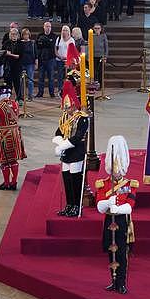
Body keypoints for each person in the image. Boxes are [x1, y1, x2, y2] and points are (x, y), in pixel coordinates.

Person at [94, 135, 137, 294]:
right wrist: (107, 203)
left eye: (119, 171)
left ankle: (122, 282)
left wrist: (117, 208)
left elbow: (130, 205)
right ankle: (113, 281)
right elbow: (99, 205)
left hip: (122, 222)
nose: (117, 174)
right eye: (114, 170)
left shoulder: (130, 184)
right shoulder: (103, 184)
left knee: (121, 253)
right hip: (109, 222)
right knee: (111, 253)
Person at [53, 80, 89, 217]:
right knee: (67, 180)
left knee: (75, 180)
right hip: (66, 154)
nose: (66, 111)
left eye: (68, 108)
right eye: (65, 108)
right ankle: (69, 204)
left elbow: (78, 137)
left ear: (73, 105)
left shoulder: (82, 118)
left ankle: (76, 205)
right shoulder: (64, 118)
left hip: (77, 152)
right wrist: (59, 143)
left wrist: (63, 145)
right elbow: (58, 133)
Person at [0, 85, 27, 190]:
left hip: (4, 136)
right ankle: (14, 182)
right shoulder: (14, 104)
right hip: (15, 134)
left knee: (5, 161)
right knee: (13, 160)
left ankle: (6, 183)